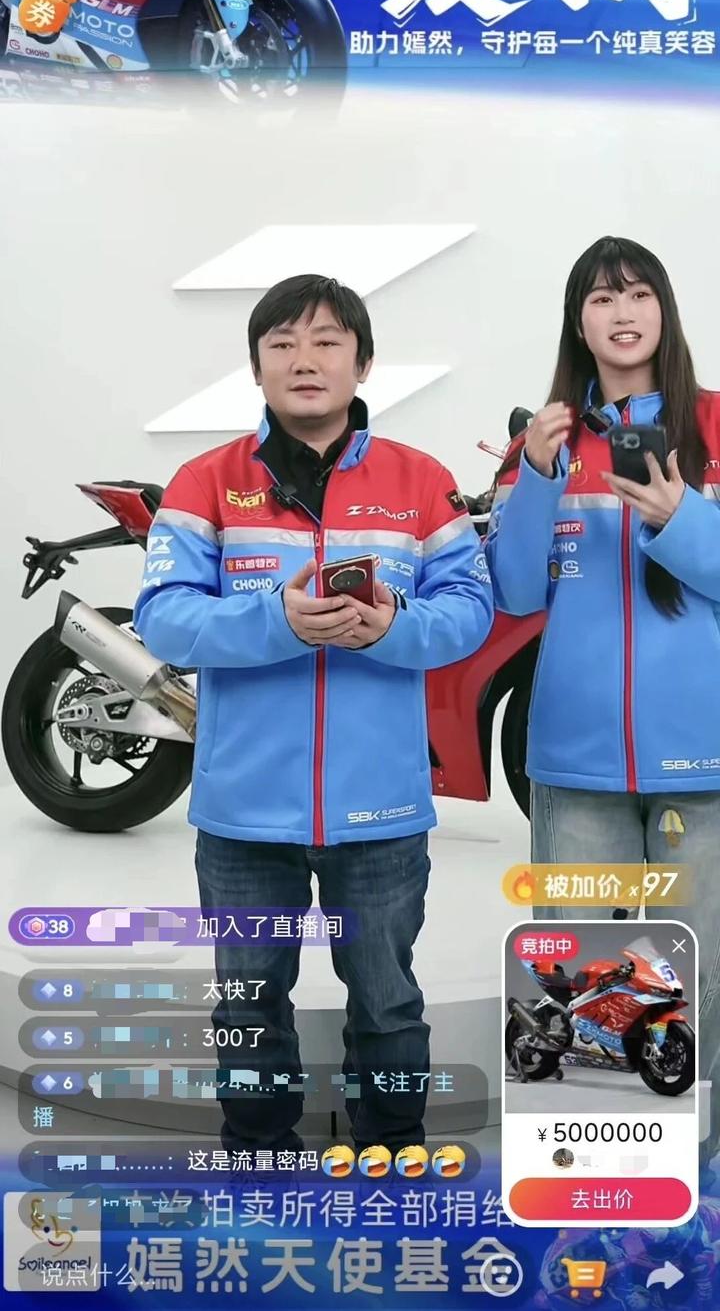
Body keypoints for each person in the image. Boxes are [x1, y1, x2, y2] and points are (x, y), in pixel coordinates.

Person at [134, 273, 493, 1156]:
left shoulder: (421, 482)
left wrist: (390, 628)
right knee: (248, 1007)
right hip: (243, 814)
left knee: (389, 1004)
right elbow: (163, 618)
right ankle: (260, 1162)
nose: (305, 359)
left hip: (381, 811)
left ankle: (393, 1153)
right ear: (256, 366)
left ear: (362, 363)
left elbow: (469, 612)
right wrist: (278, 622)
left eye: (328, 341)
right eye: (282, 343)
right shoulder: (205, 482)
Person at [485, 235, 720, 1178]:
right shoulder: (544, 442)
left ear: (665, 309)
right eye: (600, 297)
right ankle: (599, 1179)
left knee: (697, 979)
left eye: (638, 293)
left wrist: (680, 519)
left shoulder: (713, 425)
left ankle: (695, 1177)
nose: (622, 312)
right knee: (584, 977)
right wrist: (536, 481)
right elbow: (513, 592)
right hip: (577, 766)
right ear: (577, 323)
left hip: (703, 762)